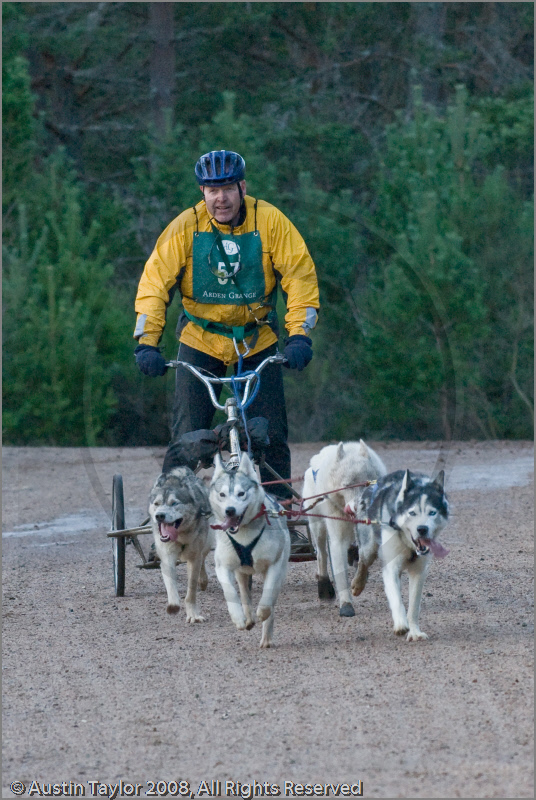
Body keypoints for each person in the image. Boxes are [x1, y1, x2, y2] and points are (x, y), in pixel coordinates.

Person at [133, 149, 319, 507]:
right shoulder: (185, 227)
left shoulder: (271, 222)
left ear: (242, 187)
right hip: (201, 339)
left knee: (271, 435)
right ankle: (171, 514)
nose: (221, 198)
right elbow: (155, 285)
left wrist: (299, 336)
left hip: (256, 339)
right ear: (202, 193)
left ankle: (282, 513)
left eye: (229, 189)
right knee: (186, 436)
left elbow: (299, 278)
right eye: (212, 190)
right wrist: (147, 343)